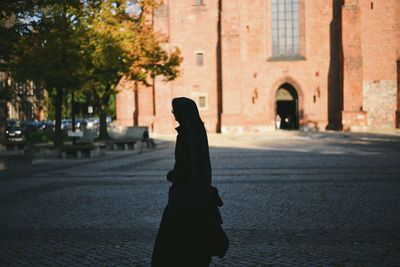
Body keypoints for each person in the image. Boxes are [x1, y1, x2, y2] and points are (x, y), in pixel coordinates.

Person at [151, 97, 228, 267]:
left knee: (172, 246)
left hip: (184, 200)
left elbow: (183, 170)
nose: (174, 115)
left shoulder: (184, 135)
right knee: (196, 245)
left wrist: (171, 175)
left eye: (175, 111)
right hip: (200, 198)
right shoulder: (198, 131)